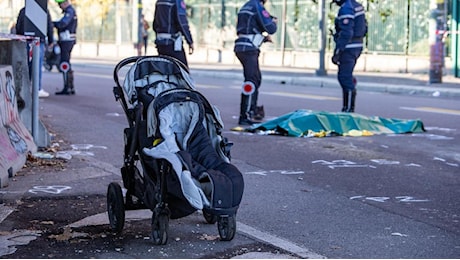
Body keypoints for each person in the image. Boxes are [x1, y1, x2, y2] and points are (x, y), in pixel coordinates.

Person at [234, 0, 277, 125]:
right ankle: (245, 115)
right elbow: (270, 27)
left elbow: (248, 27)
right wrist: (274, 23)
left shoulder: (246, 6)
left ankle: (252, 110)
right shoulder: (257, 6)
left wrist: (263, 38)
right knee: (251, 80)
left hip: (243, 47)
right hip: (248, 48)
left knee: (256, 78)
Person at [331, 0, 367, 113]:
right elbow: (365, 28)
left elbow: (346, 32)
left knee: (344, 77)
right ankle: (347, 107)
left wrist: (338, 51)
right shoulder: (357, 6)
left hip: (349, 47)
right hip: (356, 45)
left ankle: (348, 110)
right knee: (346, 76)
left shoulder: (347, 8)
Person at [15, 6, 54, 98]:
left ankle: (25, 88)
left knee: (26, 64)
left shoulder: (24, 10)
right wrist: (51, 40)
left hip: (25, 41)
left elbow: (18, 25)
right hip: (38, 41)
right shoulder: (44, 10)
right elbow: (49, 26)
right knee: (37, 65)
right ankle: (37, 88)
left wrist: (20, 37)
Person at [153, 0, 194, 68]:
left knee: (164, 71)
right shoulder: (177, 1)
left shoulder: (159, 1)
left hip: (160, 43)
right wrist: (190, 41)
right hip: (172, 43)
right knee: (183, 70)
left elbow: (155, 24)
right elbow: (182, 23)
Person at [53, 0, 78, 95]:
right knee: (66, 63)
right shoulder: (70, 11)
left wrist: (53, 24)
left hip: (66, 40)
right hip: (68, 40)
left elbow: (63, 23)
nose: (59, 6)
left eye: (60, 4)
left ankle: (67, 87)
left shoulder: (69, 12)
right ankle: (69, 86)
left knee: (64, 63)